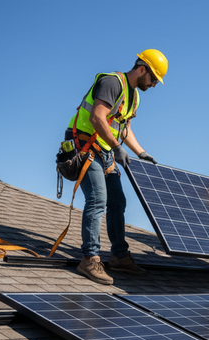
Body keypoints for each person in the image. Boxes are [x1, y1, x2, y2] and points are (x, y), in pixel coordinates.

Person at [65, 49, 167, 285]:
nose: (153, 85)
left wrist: (140, 152)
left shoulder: (135, 96)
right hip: (85, 146)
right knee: (98, 199)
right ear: (142, 69)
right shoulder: (112, 82)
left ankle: (119, 256)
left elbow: (123, 129)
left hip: (105, 150)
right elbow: (97, 118)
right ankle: (89, 259)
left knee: (118, 202)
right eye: (153, 79)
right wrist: (117, 147)